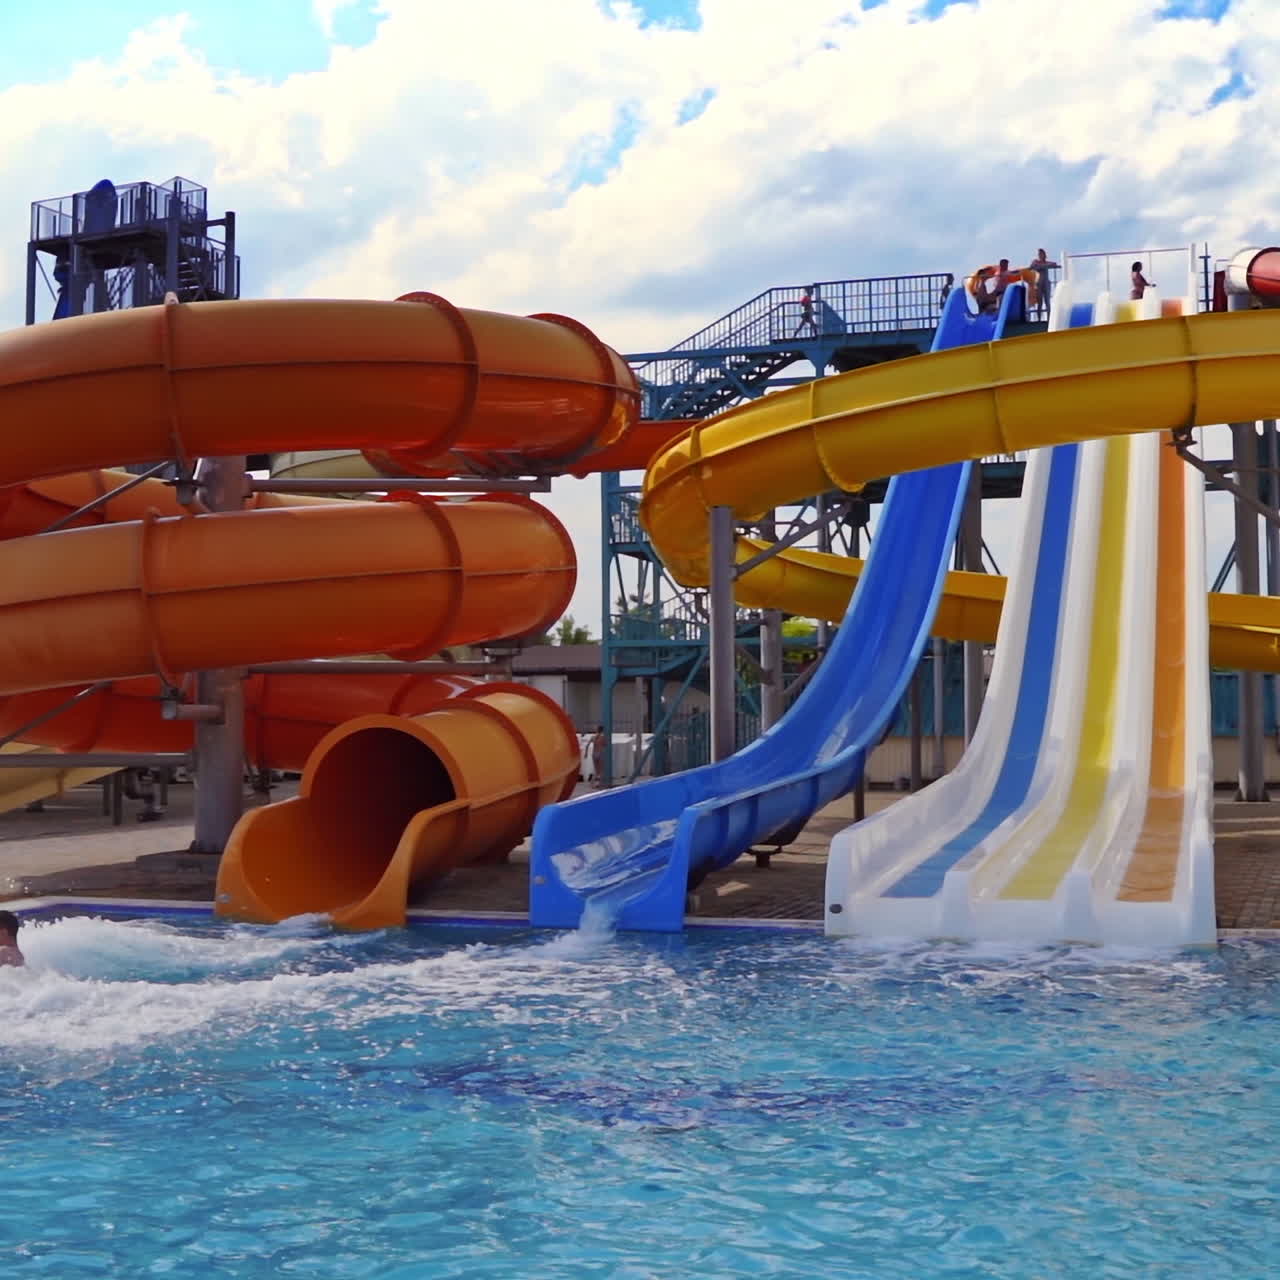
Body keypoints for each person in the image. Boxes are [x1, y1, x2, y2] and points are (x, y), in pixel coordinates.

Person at [1028, 249, 1059, 315]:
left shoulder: (1045, 262)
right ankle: (1039, 319)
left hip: (1046, 283)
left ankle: (1049, 318)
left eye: (1042, 254)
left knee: (1047, 301)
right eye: (1039, 254)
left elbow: (1054, 264)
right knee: (1040, 302)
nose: (1040, 255)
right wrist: (1043, 266)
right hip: (1039, 283)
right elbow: (1031, 266)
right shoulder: (1036, 262)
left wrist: (1043, 266)